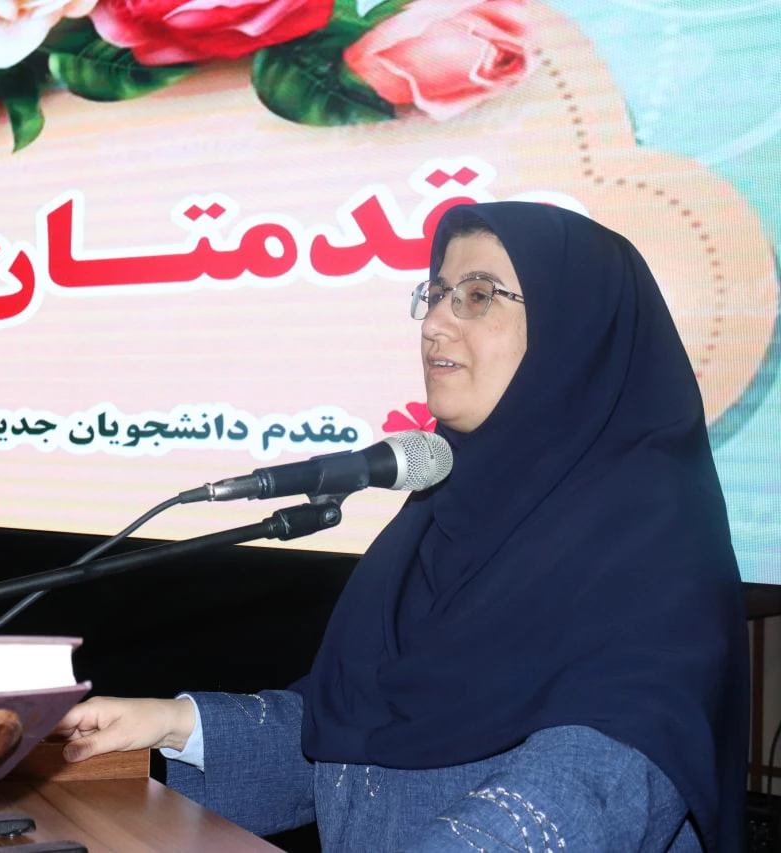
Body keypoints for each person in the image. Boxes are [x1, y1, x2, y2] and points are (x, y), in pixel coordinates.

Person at [53, 202, 749, 852]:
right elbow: (357, 741)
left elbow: (604, 770)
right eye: (436, 293)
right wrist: (177, 725)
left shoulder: (651, 532)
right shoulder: (440, 515)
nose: (435, 322)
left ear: (577, 332)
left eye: (477, 295)